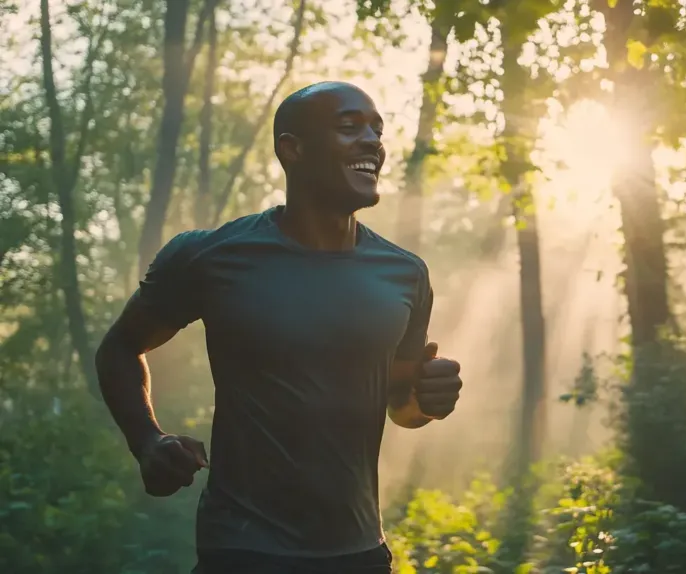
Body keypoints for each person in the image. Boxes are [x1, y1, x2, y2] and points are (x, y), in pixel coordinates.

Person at [95, 81, 463, 573]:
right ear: (291, 149)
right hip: (244, 551)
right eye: (349, 127)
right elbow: (120, 346)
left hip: (359, 553)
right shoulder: (211, 256)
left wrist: (428, 400)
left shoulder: (404, 273)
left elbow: (401, 406)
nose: (373, 141)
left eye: (377, 129)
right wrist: (148, 441)